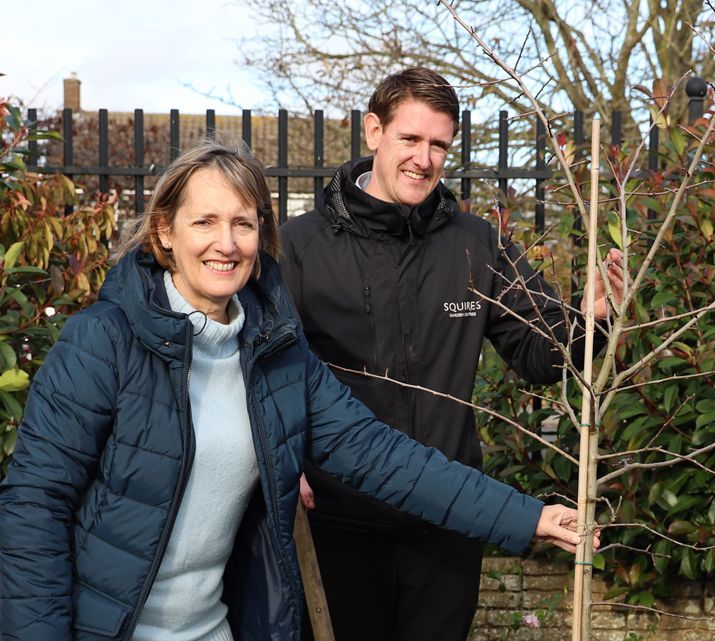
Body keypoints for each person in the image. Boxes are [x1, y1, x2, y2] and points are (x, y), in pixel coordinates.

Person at [0, 139, 592, 641]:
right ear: (164, 231)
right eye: (204, 221)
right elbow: (34, 506)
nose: (225, 243)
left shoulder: (277, 355)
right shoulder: (103, 341)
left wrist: (529, 515)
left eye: (243, 222)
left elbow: (385, 457)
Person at [278, 67, 624, 641]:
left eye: (439, 144)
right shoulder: (300, 247)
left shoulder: (476, 245)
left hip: (447, 525)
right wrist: (285, 452)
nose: (424, 158)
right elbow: (268, 371)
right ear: (373, 131)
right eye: (410, 139)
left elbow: (541, 353)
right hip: (338, 523)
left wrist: (591, 320)